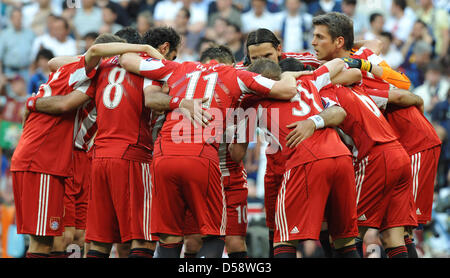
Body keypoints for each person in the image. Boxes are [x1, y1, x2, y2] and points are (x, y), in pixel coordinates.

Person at [118, 45, 300, 258]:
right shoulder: (237, 76)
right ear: (231, 64)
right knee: (214, 235)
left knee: (171, 236)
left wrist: (146, 49)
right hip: (203, 161)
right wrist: (290, 74)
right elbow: (287, 90)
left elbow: (126, 59)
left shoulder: (180, 68)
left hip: (165, 155)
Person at [29, 29, 189, 258]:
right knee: (142, 239)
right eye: (171, 56)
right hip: (133, 155)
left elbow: (58, 69)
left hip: (99, 158)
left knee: (98, 241)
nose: (169, 62)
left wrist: (33, 102)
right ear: (164, 49)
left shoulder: (102, 65)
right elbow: (153, 99)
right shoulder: (150, 66)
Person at [311, 11, 425, 258]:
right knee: (394, 235)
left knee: (346, 235)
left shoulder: (326, 82)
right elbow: (375, 46)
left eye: (319, 37)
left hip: (376, 155)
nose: (313, 42)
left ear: (339, 41)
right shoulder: (359, 64)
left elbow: (399, 93)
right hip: (398, 154)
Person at [232, 57, 361, 258]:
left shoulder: (251, 102)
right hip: (342, 158)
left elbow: (238, 153)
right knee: (344, 241)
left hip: (306, 160)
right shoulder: (308, 81)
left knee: (283, 238)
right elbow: (336, 63)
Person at [9, 33, 105, 258]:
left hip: (86, 157)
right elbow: (54, 64)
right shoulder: (85, 74)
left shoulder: (114, 78)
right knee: (58, 236)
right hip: (63, 157)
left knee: (80, 236)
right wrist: (32, 102)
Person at [0, 8, 35, 82]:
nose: (18, 19)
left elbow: (35, 54)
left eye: (20, 17)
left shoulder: (30, 33)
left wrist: (32, 70)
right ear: (11, 19)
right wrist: (1, 75)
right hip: (9, 72)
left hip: (26, 71)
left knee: (27, 93)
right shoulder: (4, 34)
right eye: (15, 17)